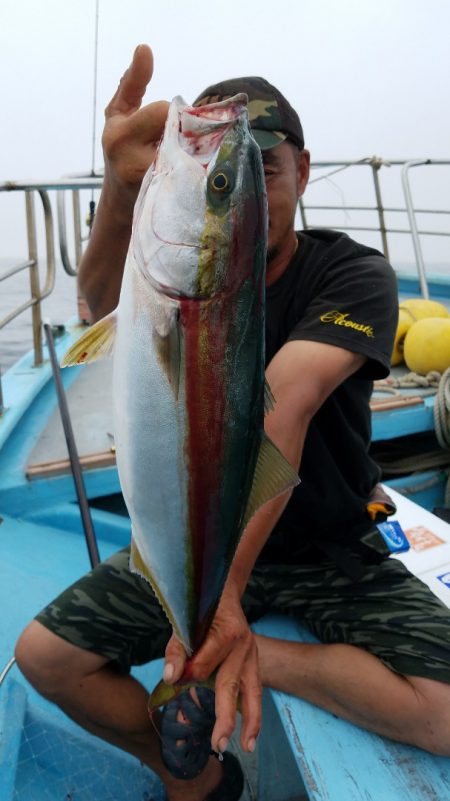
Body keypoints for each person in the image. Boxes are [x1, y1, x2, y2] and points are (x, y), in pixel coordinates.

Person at [15, 44, 450, 801]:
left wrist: (222, 610)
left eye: (262, 171)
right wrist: (123, 194)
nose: (254, 190)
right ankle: (194, 778)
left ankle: (248, 657)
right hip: (189, 545)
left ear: (302, 173)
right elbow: (93, 303)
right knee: (44, 656)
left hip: (328, 543)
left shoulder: (353, 274)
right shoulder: (164, 266)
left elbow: (282, 407)